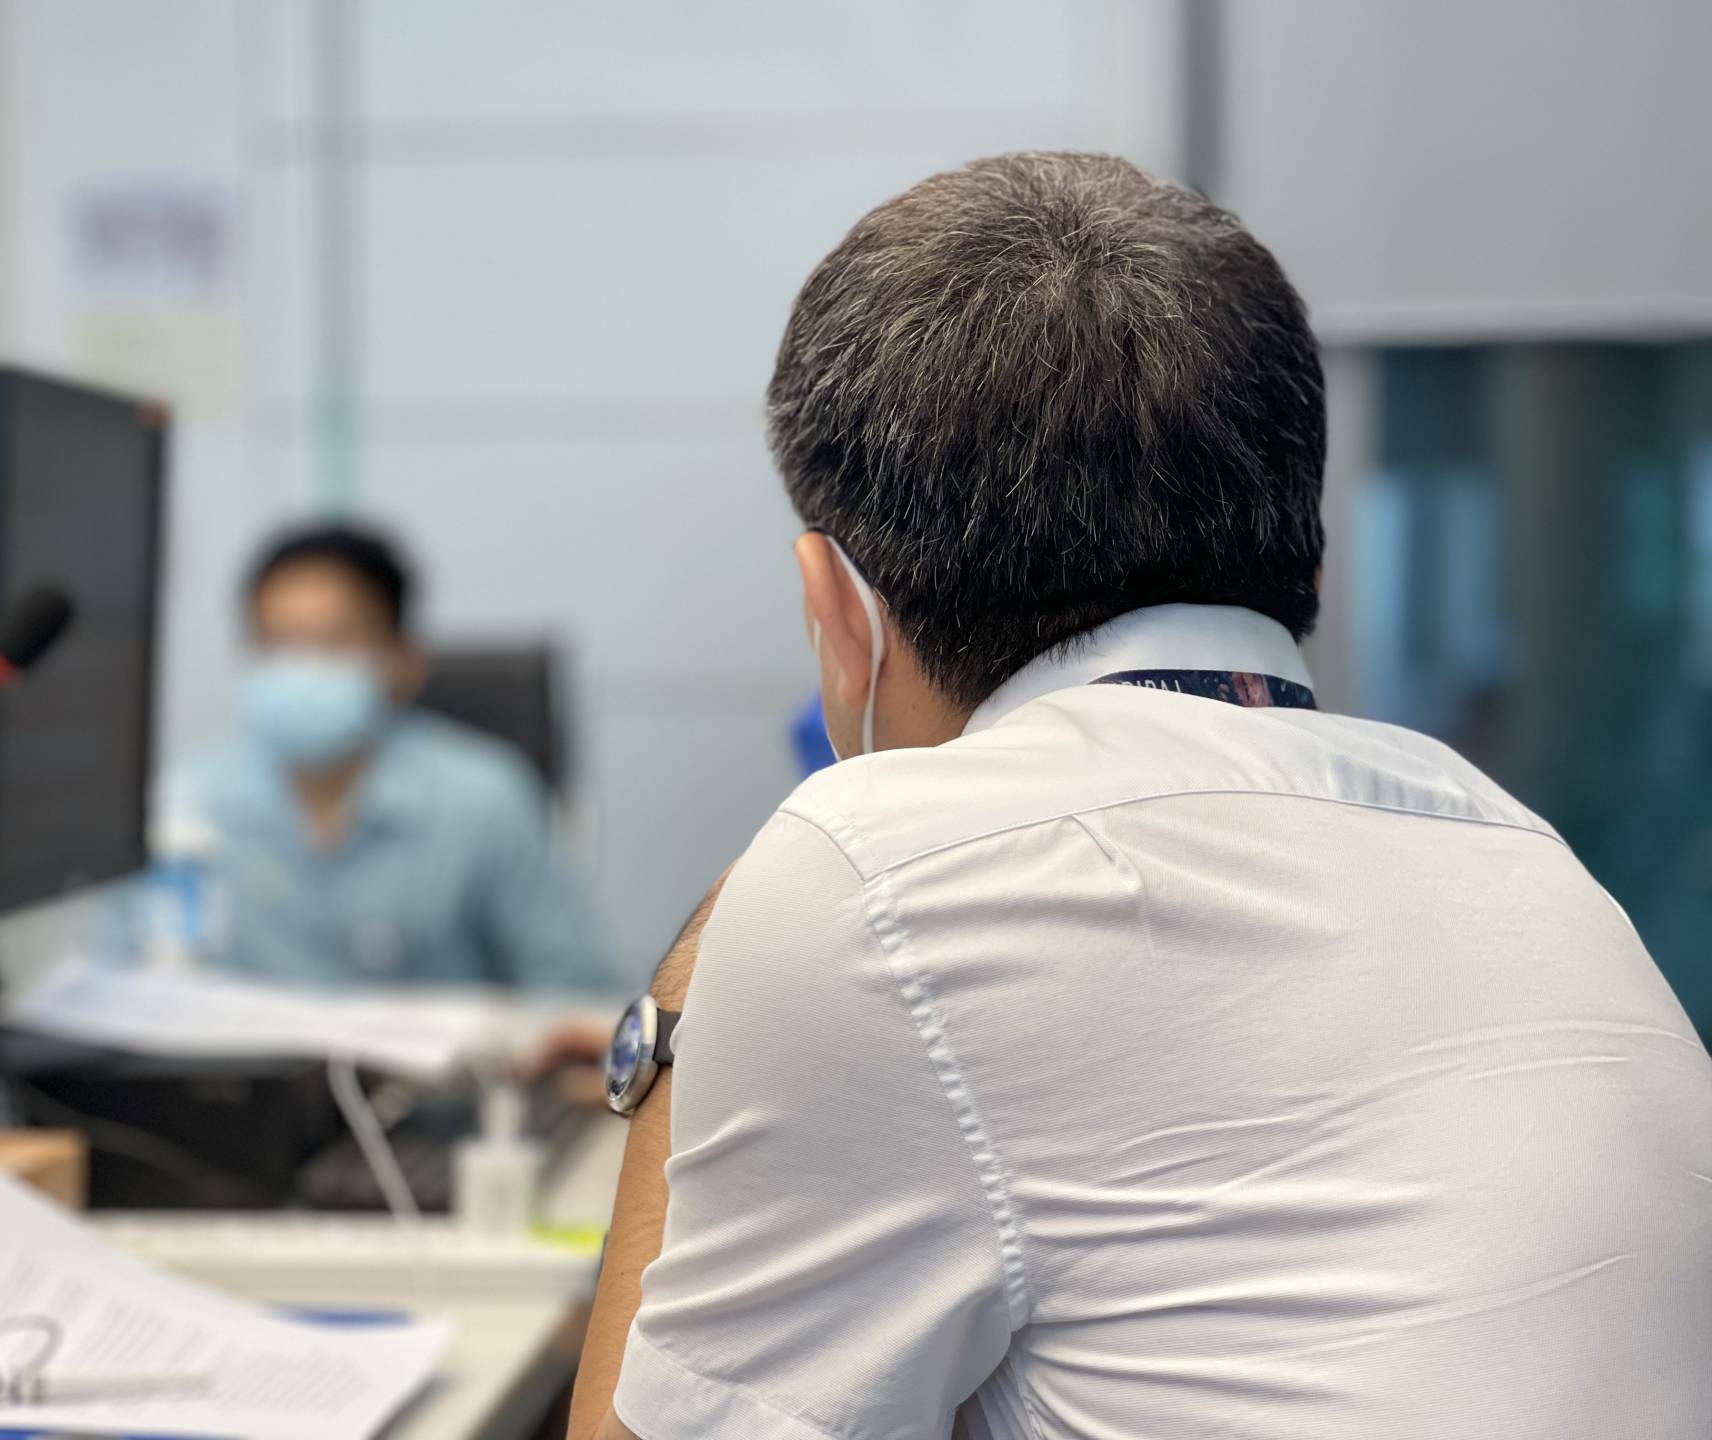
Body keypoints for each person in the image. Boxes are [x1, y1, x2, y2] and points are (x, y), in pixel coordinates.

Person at [569, 153, 1712, 1439]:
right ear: (1302, 557)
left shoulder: (879, 875)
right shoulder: (1522, 852)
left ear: (836, 613)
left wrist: (685, 1018)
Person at [164, 524, 610, 991]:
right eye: (276, 642)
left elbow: (574, 984)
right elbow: (132, 969)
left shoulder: (484, 802)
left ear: (404, 660)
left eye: (334, 642)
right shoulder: (189, 800)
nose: (301, 667)